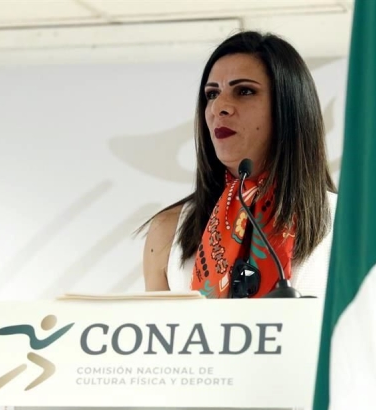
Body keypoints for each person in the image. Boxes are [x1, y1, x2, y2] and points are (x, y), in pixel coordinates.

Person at [142, 31, 337, 299]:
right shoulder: (167, 230)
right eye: (212, 94)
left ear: (288, 107)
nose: (219, 107)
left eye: (244, 91)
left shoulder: (349, 223)